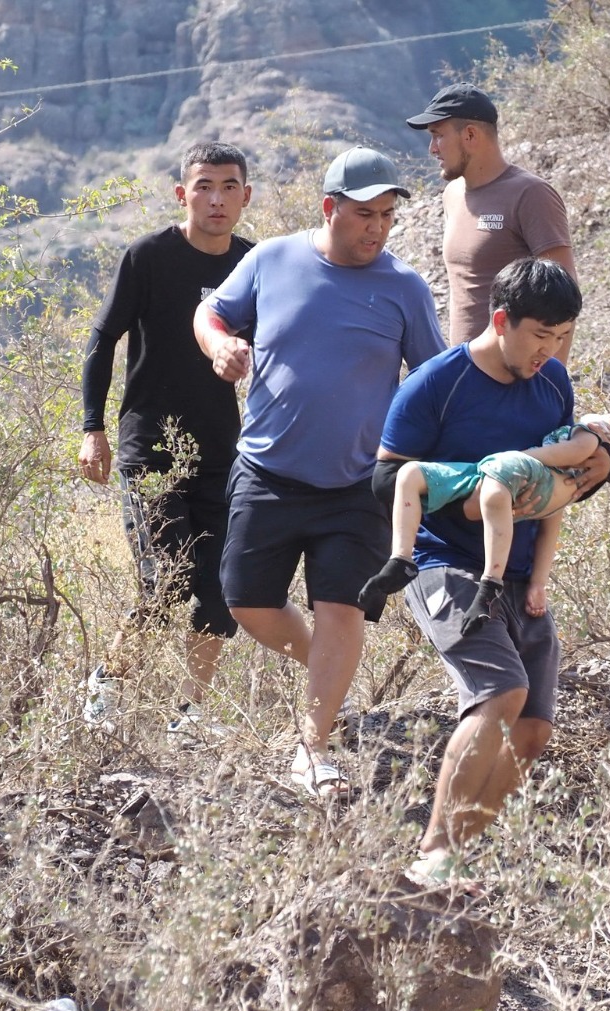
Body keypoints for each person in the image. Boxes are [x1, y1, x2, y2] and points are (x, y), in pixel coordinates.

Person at [193, 146, 444, 797]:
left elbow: (433, 379)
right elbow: (211, 312)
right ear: (330, 208)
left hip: (359, 484)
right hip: (267, 471)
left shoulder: (405, 288)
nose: (378, 228)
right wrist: (221, 344)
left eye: (387, 216)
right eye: (365, 215)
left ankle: (313, 746)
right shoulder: (271, 259)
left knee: (342, 607)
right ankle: (328, 675)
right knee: (246, 602)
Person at [377, 257, 610, 884]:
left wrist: (596, 469)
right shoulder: (436, 384)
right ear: (502, 320)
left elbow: (552, 473)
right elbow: (384, 480)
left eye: (562, 337)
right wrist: (470, 498)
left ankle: (459, 855)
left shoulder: (553, 381)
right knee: (499, 690)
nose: (549, 350)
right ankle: (430, 854)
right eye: (540, 335)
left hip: (521, 571)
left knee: (533, 728)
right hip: (446, 565)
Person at [78, 141, 255, 728]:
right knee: (166, 582)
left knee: (219, 589)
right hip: (151, 449)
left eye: (229, 187)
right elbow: (103, 339)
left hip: (222, 453)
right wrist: (92, 428)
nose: (216, 199)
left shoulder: (253, 264)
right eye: (205, 186)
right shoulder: (149, 256)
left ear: (246, 196)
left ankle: (191, 714)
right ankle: (105, 688)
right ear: (183, 194)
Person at [358, 412, 610, 636]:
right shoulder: (582, 480)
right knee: (410, 474)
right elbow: (550, 526)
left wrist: (521, 456)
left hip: (520, 471)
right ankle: (401, 559)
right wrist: (539, 583)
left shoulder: (595, 433)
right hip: (508, 477)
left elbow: (574, 451)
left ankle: (490, 582)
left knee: (494, 486)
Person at [406, 83, 578, 359]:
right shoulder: (452, 195)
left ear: (470, 134)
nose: (432, 149)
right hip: (464, 370)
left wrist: (550, 378)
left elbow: (565, 300)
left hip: (517, 375)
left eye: (438, 136)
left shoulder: (531, 194)